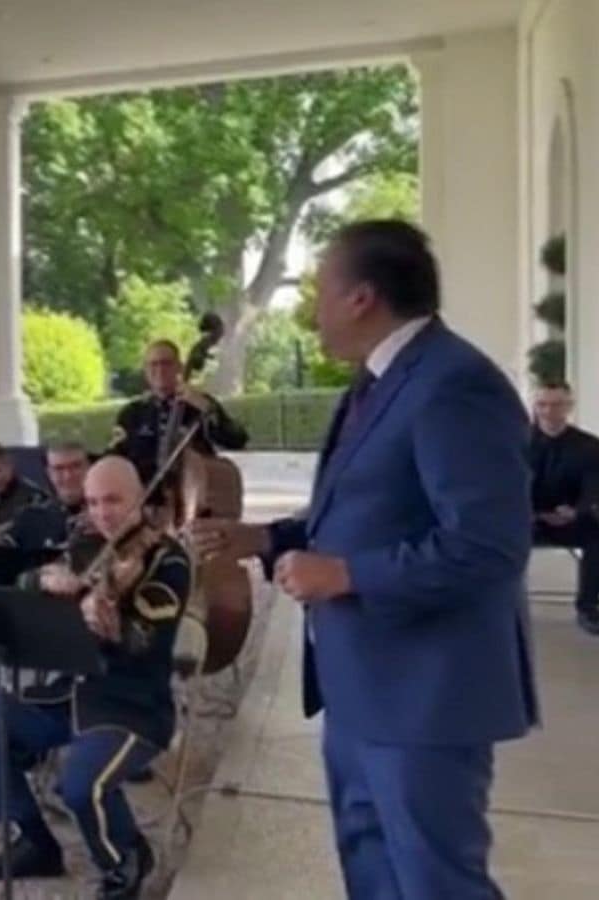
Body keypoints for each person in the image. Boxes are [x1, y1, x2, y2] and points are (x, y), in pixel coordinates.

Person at [191, 220, 538, 900]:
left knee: (436, 883)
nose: (311, 306)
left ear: (362, 298)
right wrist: (266, 537)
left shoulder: (454, 384)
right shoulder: (379, 381)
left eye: (320, 288)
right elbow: (368, 511)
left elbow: (488, 546)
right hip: (361, 688)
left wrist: (347, 575)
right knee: (373, 871)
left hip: (425, 697)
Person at [0, 456, 186, 897]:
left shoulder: (167, 559)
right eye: (94, 502)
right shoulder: (86, 545)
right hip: (72, 696)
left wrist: (111, 617)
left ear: (139, 499)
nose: (101, 513)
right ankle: (37, 843)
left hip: (131, 706)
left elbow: (146, 640)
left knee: (78, 783)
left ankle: (124, 859)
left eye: (113, 501)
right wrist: (44, 579)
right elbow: (21, 584)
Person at [107, 338, 248, 501]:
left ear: (179, 367)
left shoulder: (200, 403)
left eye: (166, 363)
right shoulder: (132, 413)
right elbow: (115, 457)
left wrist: (209, 410)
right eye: (153, 364)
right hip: (146, 503)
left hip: (195, 501)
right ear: (145, 370)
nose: (160, 369)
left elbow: (237, 440)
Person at [528, 381, 599, 633]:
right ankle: (502, 607)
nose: (549, 411)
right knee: (493, 533)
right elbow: (506, 485)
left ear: (569, 406)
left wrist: (577, 510)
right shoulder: (516, 443)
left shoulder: (589, 446)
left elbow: (594, 486)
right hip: (527, 520)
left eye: (557, 404)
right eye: (542, 404)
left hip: (570, 518)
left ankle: (589, 607)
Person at [13, 441, 91, 550]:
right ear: (49, 473)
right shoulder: (29, 521)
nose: (68, 476)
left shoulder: (109, 516)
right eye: (59, 468)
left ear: (88, 467)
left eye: (76, 466)